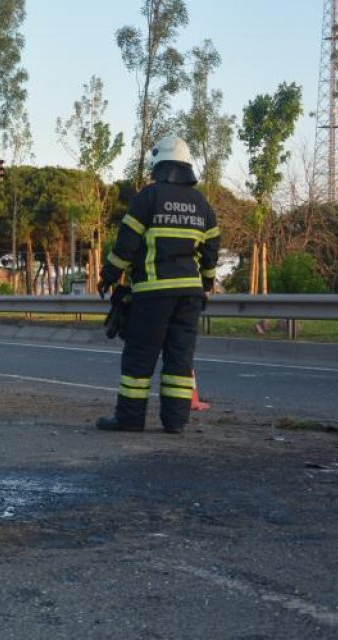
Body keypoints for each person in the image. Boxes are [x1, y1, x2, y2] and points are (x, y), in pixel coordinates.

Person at [96, 135, 220, 434]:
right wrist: (206, 282)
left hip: (153, 293)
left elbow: (126, 243)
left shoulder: (148, 197)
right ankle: (176, 422)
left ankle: (129, 419)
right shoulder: (202, 203)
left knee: (140, 357)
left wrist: (109, 275)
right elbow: (212, 248)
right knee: (180, 357)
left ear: (159, 164)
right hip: (190, 295)